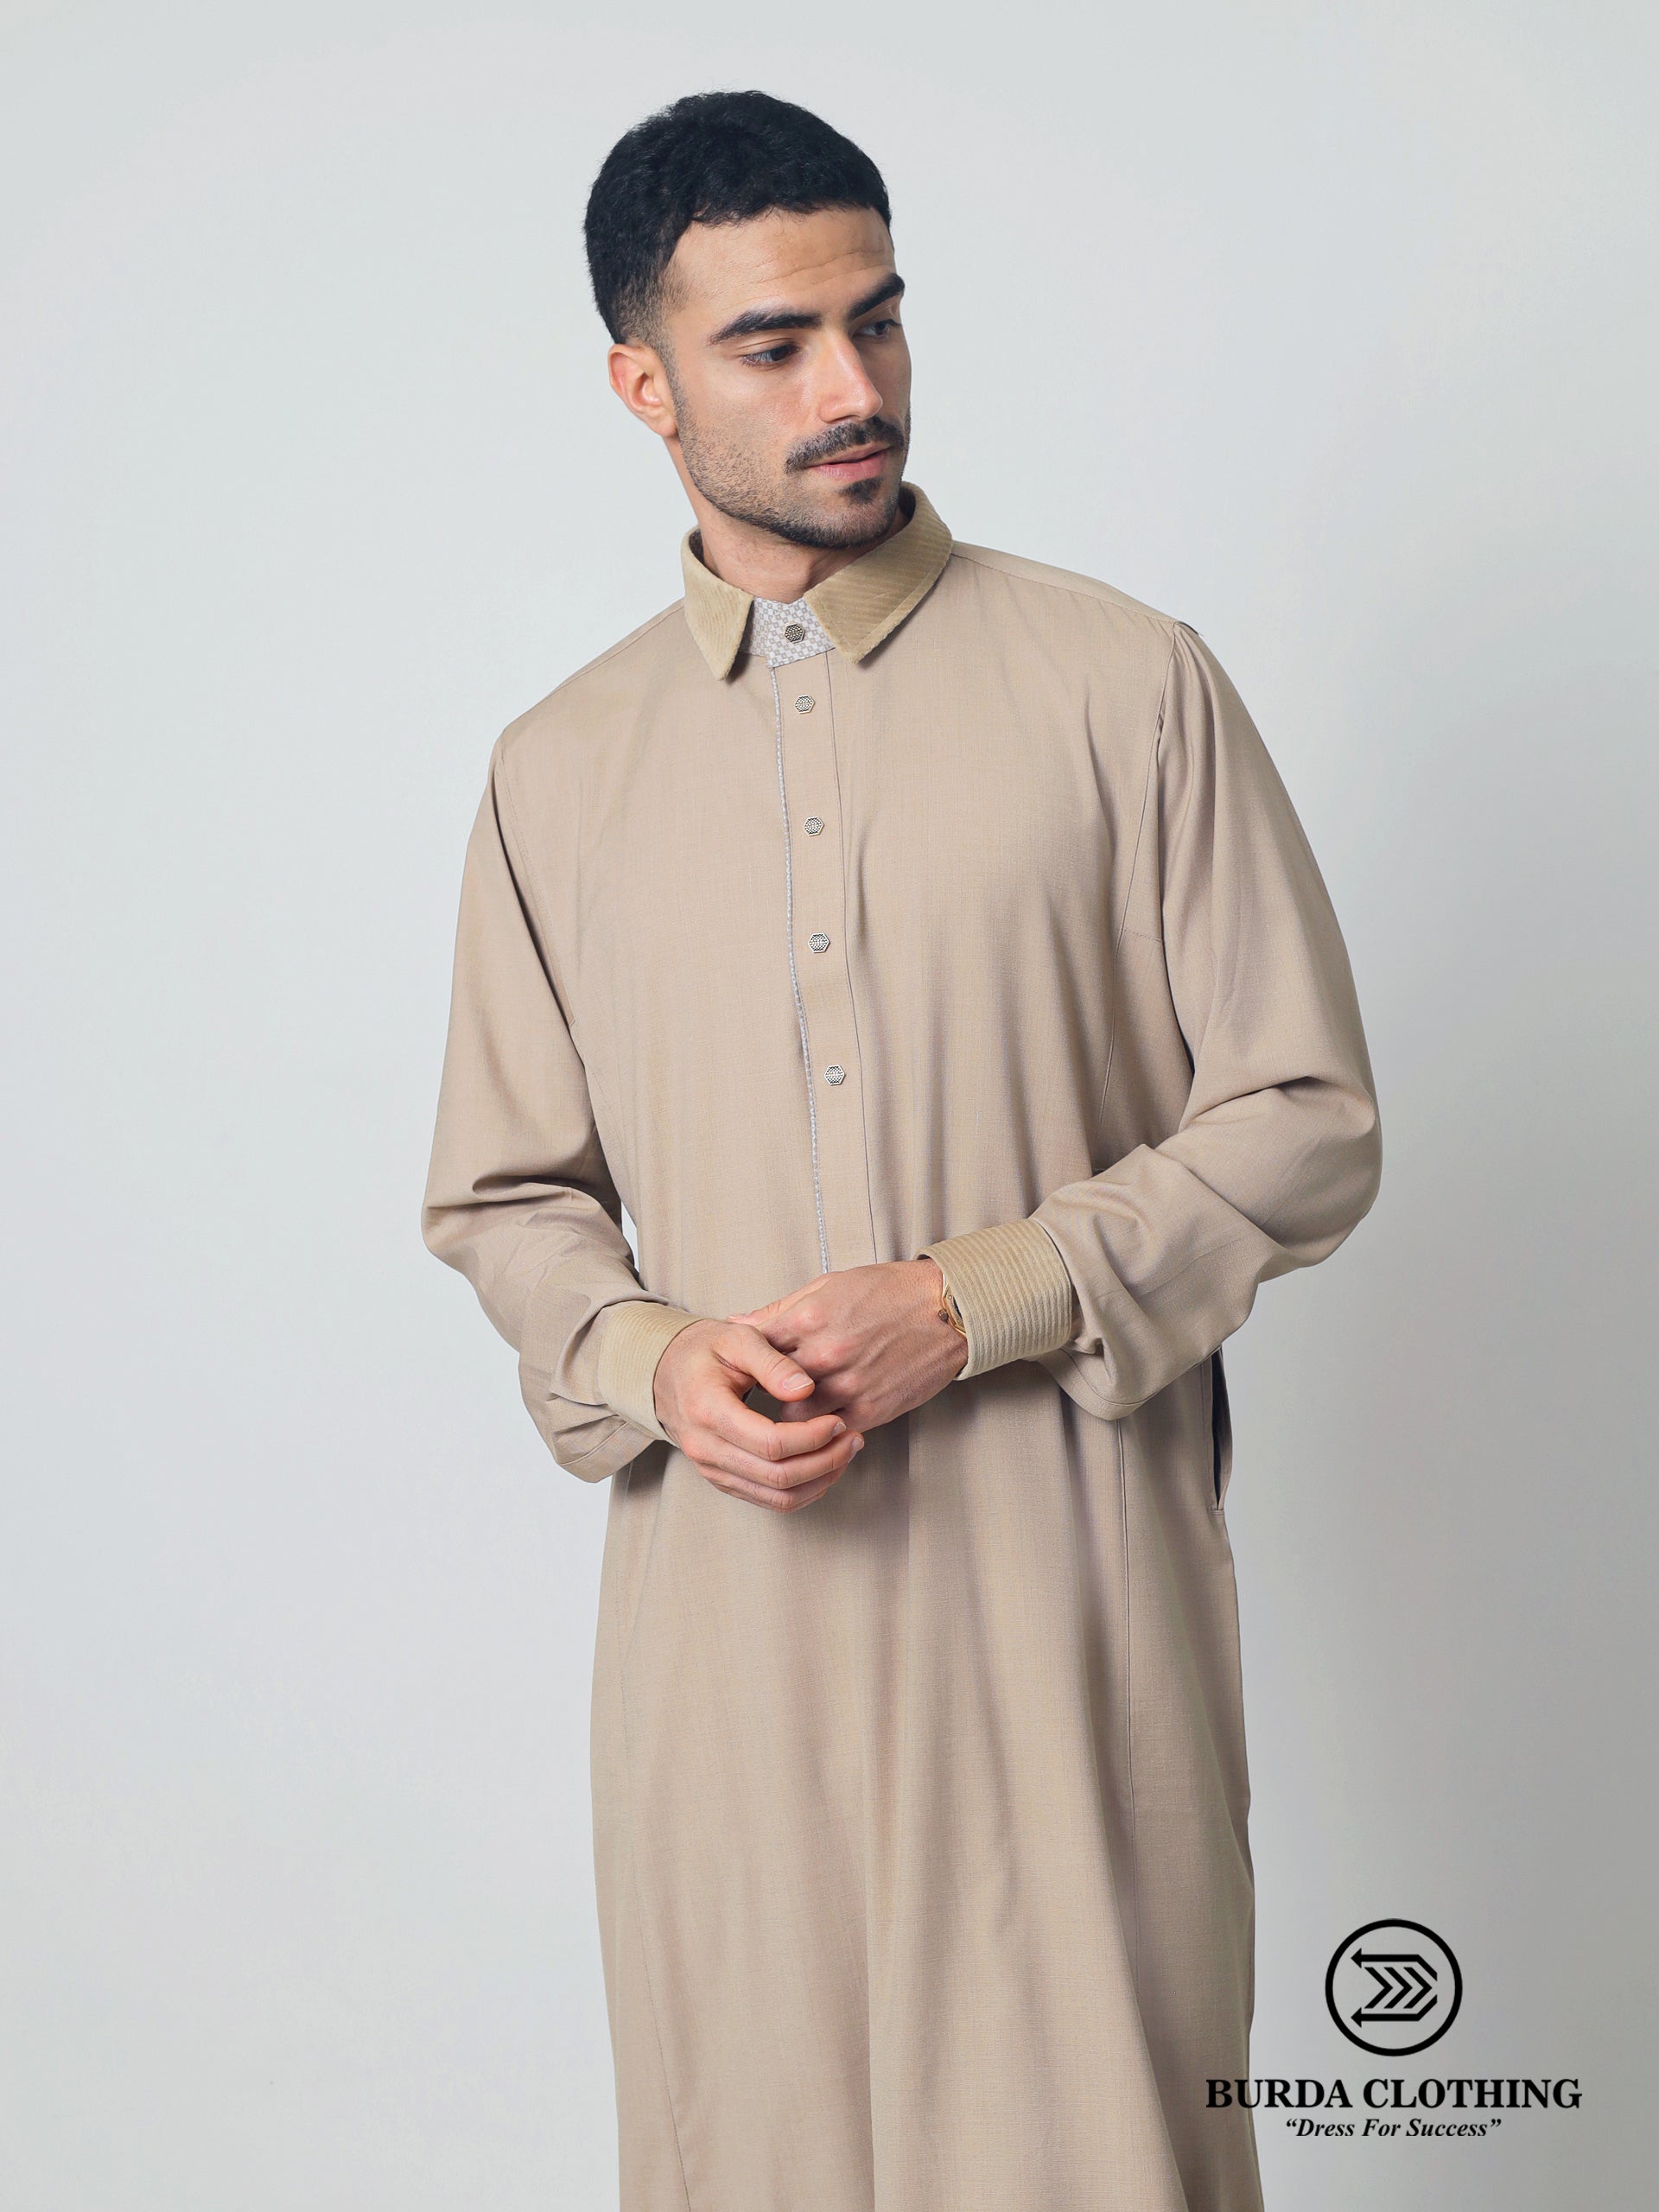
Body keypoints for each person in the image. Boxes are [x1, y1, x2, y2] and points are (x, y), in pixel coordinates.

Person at [421, 86, 1382, 2212]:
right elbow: (504, 1194)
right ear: (643, 384)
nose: (852, 388)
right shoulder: (556, 772)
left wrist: (979, 1296)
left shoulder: (1128, 685)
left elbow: (1308, 1114)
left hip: (1069, 1624)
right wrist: (656, 1352)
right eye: (773, 344)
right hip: (726, 1659)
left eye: (876, 318)